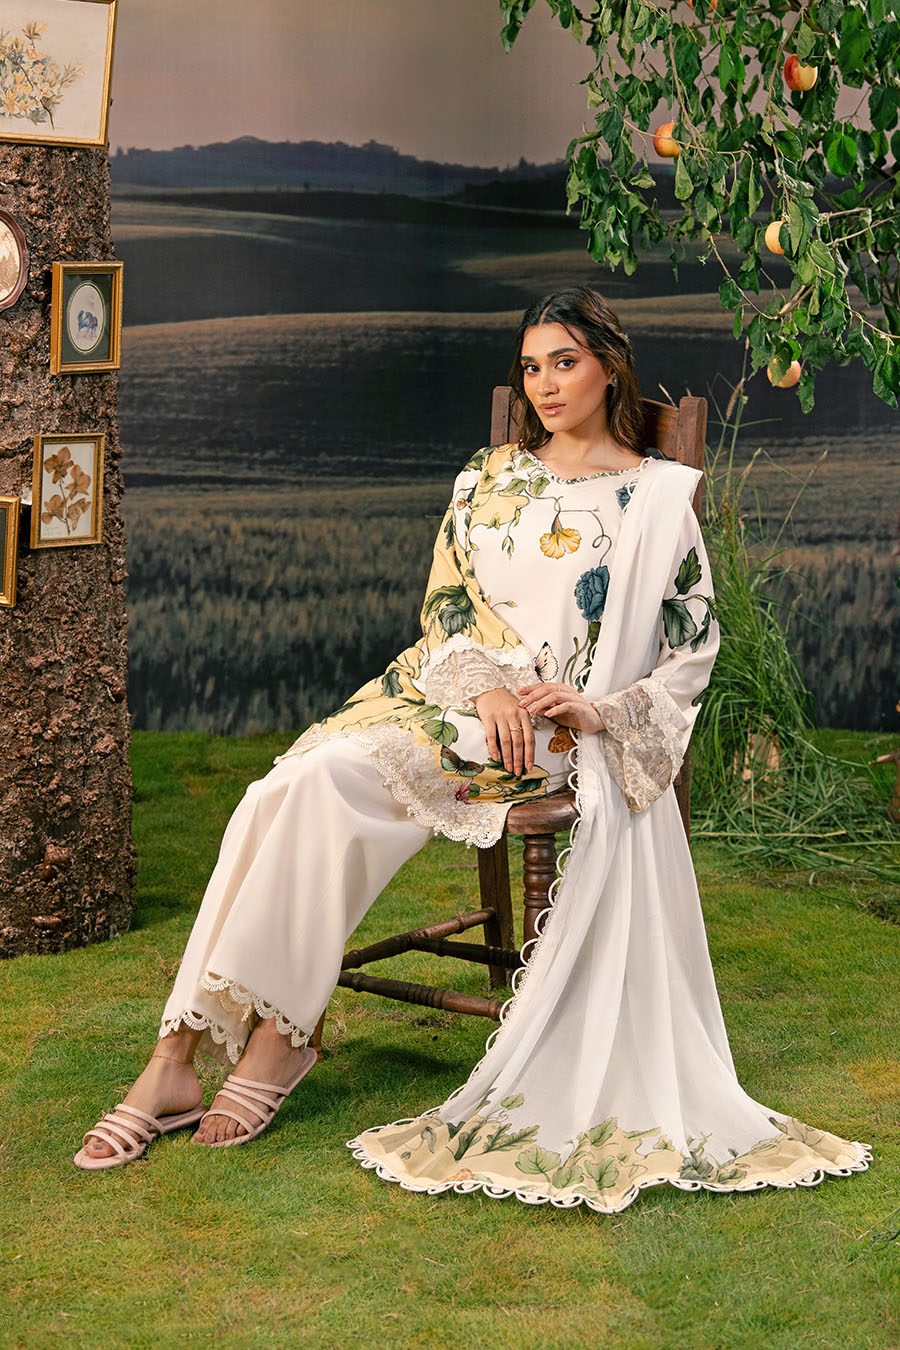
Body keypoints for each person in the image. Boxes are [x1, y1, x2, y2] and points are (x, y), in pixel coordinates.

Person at [75, 288, 869, 1214]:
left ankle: (272, 1043)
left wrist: (597, 708)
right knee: (280, 789)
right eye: (531, 367)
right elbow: (448, 608)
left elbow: (692, 652)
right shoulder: (487, 477)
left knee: (320, 782)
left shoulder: (657, 499)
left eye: (565, 362)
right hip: (448, 699)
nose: (545, 385)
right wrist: (483, 682)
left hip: (555, 737)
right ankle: (179, 1054)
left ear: (609, 366)